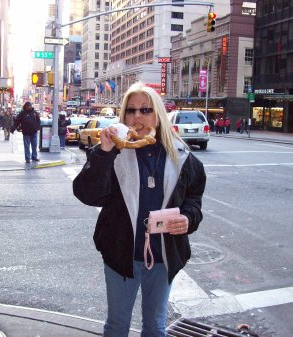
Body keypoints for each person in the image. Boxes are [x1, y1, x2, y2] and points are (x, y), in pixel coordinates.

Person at [73, 82, 206, 337]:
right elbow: (87, 194)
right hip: (121, 253)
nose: (137, 117)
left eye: (145, 110)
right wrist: (103, 153)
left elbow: (194, 198)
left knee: (155, 326)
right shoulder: (112, 153)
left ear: (158, 114)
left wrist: (188, 219)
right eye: (130, 111)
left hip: (163, 256)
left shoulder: (182, 157)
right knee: (117, 325)